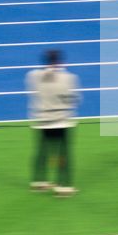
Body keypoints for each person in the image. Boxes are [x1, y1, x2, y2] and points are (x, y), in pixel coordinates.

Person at [27, 49, 79, 196]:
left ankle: (38, 182)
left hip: (41, 121)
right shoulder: (68, 78)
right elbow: (73, 100)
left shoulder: (33, 76)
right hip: (61, 122)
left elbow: (34, 94)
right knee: (63, 155)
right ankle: (63, 187)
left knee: (41, 153)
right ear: (60, 61)